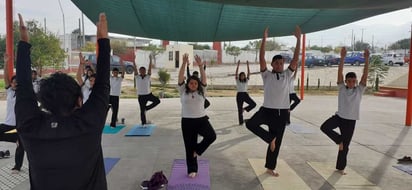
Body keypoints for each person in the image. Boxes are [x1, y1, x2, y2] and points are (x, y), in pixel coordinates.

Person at [15, 13, 110, 189]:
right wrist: (103, 41)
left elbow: (23, 90)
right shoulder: (87, 124)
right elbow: (103, 84)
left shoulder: (31, 128)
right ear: (79, 101)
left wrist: (23, 45)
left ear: (43, 104)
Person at [246, 26, 301, 177]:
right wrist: (264, 39)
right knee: (250, 124)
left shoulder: (287, 75)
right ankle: (270, 138)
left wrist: (298, 40)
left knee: (277, 143)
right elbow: (261, 58)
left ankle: (270, 167)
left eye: (281, 63)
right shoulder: (267, 75)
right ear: (272, 65)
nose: (279, 65)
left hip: (281, 113)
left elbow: (295, 59)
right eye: (276, 63)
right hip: (267, 110)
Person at [320, 47, 369, 175]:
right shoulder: (342, 88)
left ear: (356, 82)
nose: (352, 83)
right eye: (349, 81)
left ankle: (341, 168)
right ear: (346, 82)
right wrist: (342, 58)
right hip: (339, 117)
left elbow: (365, 75)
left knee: (345, 147)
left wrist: (367, 59)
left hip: (351, 121)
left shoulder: (359, 90)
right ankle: (339, 140)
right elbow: (340, 72)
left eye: (354, 81)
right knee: (324, 127)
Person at [177, 54, 216, 178]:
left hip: (201, 120)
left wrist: (200, 66)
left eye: (195, 83)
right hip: (187, 122)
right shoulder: (183, 91)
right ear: (187, 84)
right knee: (189, 145)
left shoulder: (202, 92)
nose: (193, 85)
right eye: (191, 83)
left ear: (198, 85)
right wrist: (183, 63)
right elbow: (180, 77)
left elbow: (204, 79)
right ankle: (192, 169)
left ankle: (197, 151)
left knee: (211, 136)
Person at [1, 53, 25, 174]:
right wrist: (6, 63)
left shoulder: (23, 93)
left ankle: (17, 166)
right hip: (8, 123)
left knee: (21, 146)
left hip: (19, 124)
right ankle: (14, 139)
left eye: (17, 82)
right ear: (11, 84)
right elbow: (5, 77)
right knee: (17, 140)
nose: (15, 83)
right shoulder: (10, 91)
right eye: (13, 82)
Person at [133, 54, 160, 126]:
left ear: (145, 71)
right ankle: (143, 123)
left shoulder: (148, 76)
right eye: (141, 70)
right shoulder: (137, 77)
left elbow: (150, 68)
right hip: (141, 96)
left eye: (143, 70)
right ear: (139, 71)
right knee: (142, 111)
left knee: (157, 101)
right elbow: (135, 68)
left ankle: (147, 108)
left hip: (148, 94)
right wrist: (133, 60)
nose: (142, 71)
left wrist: (150, 60)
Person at [235, 60, 256, 125]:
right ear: (239, 76)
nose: (242, 76)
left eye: (243, 75)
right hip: (239, 95)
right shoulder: (237, 80)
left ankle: (244, 109)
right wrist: (238, 65)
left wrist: (248, 65)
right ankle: (241, 122)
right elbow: (236, 73)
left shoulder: (246, 80)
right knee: (239, 110)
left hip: (245, 94)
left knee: (253, 104)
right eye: (241, 75)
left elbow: (249, 73)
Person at [108, 62, 125, 128]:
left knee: (115, 111)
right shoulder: (110, 78)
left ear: (118, 73)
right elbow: (107, 71)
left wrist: (122, 66)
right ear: (112, 73)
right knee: (105, 110)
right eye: (114, 72)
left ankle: (113, 124)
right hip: (109, 96)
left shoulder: (119, 79)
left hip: (116, 97)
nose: (115, 73)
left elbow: (123, 73)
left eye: (116, 72)